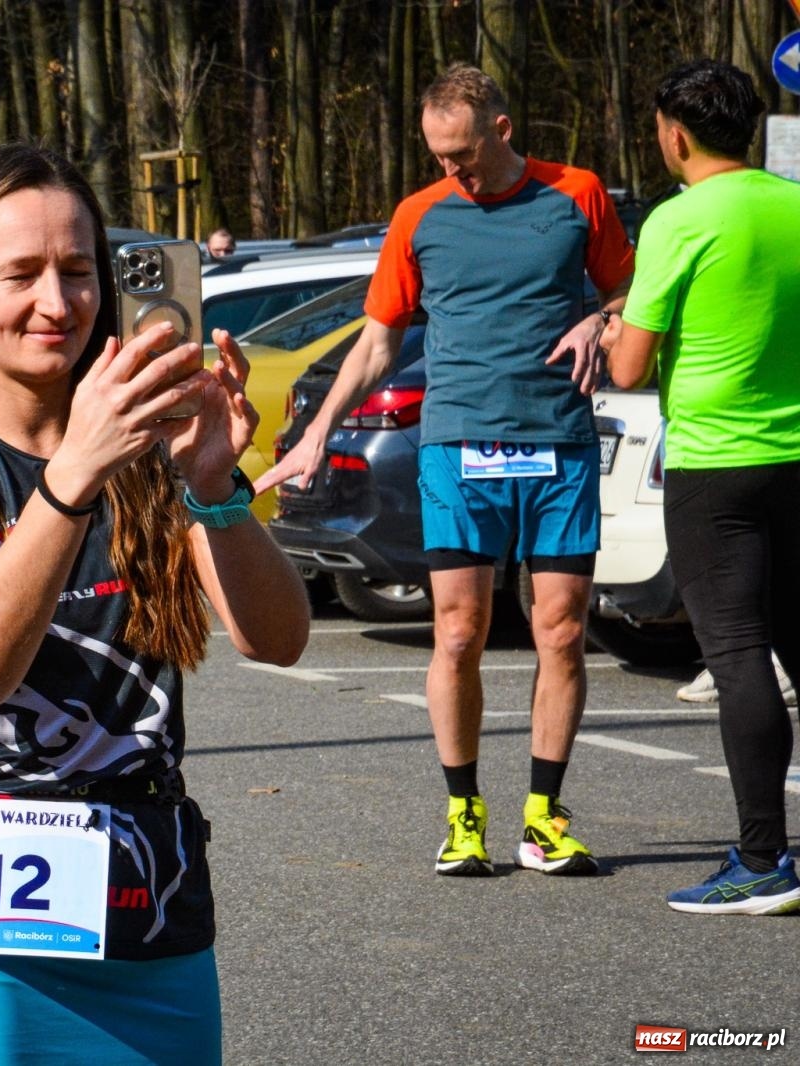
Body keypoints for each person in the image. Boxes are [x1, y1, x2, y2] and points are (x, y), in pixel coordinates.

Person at [0, 144, 309, 1065]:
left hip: (151, 923)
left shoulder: (148, 451)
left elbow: (278, 639)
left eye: (79, 271)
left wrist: (213, 484)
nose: (58, 304)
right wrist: (74, 474)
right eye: (20, 274)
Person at [265, 63, 634, 878]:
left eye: (462, 154)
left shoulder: (579, 193)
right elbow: (377, 341)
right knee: (459, 632)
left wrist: (600, 322)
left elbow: (629, 291)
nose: (451, 171)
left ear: (501, 132)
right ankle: (463, 813)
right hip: (458, 446)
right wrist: (318, 431)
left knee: (562, 632)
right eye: (438, 157)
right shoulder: (419, 216)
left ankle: (543, 818)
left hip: (560, 443)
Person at [601, 59, 800, 915]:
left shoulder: (679, 222)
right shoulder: (794, 204)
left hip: (717, 467)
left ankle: (763, 862)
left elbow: (630, 364)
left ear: (673, 133)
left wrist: (615, 324)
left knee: (739, 655)